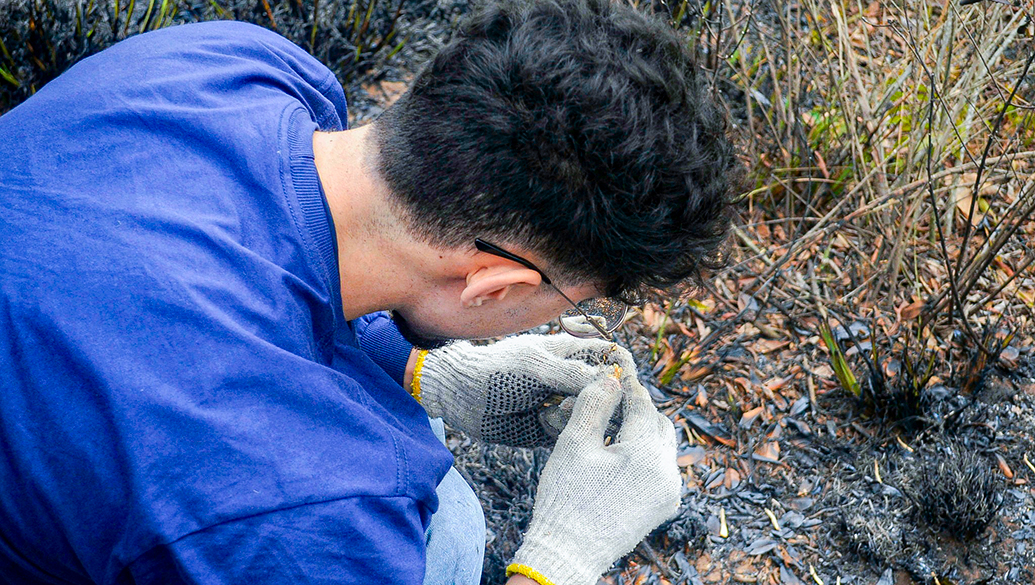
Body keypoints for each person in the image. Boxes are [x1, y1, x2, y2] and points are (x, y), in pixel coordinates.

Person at [0, 0, 736, 582]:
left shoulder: (231, 62)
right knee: (447, 535)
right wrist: (562, 555)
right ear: (493, 283)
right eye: (568, 298)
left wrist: (421, 368)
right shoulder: (303, 507)